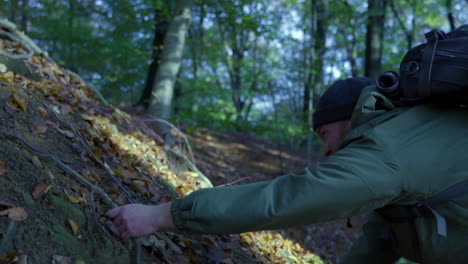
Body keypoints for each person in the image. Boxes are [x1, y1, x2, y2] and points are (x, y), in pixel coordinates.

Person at [108, 77, 468, 264]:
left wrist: (161, 215)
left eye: (325, 135)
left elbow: (290, 198)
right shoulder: (407, 145)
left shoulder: (388, 148)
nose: (326, 151)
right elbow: (380, 241)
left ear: (348, 119)